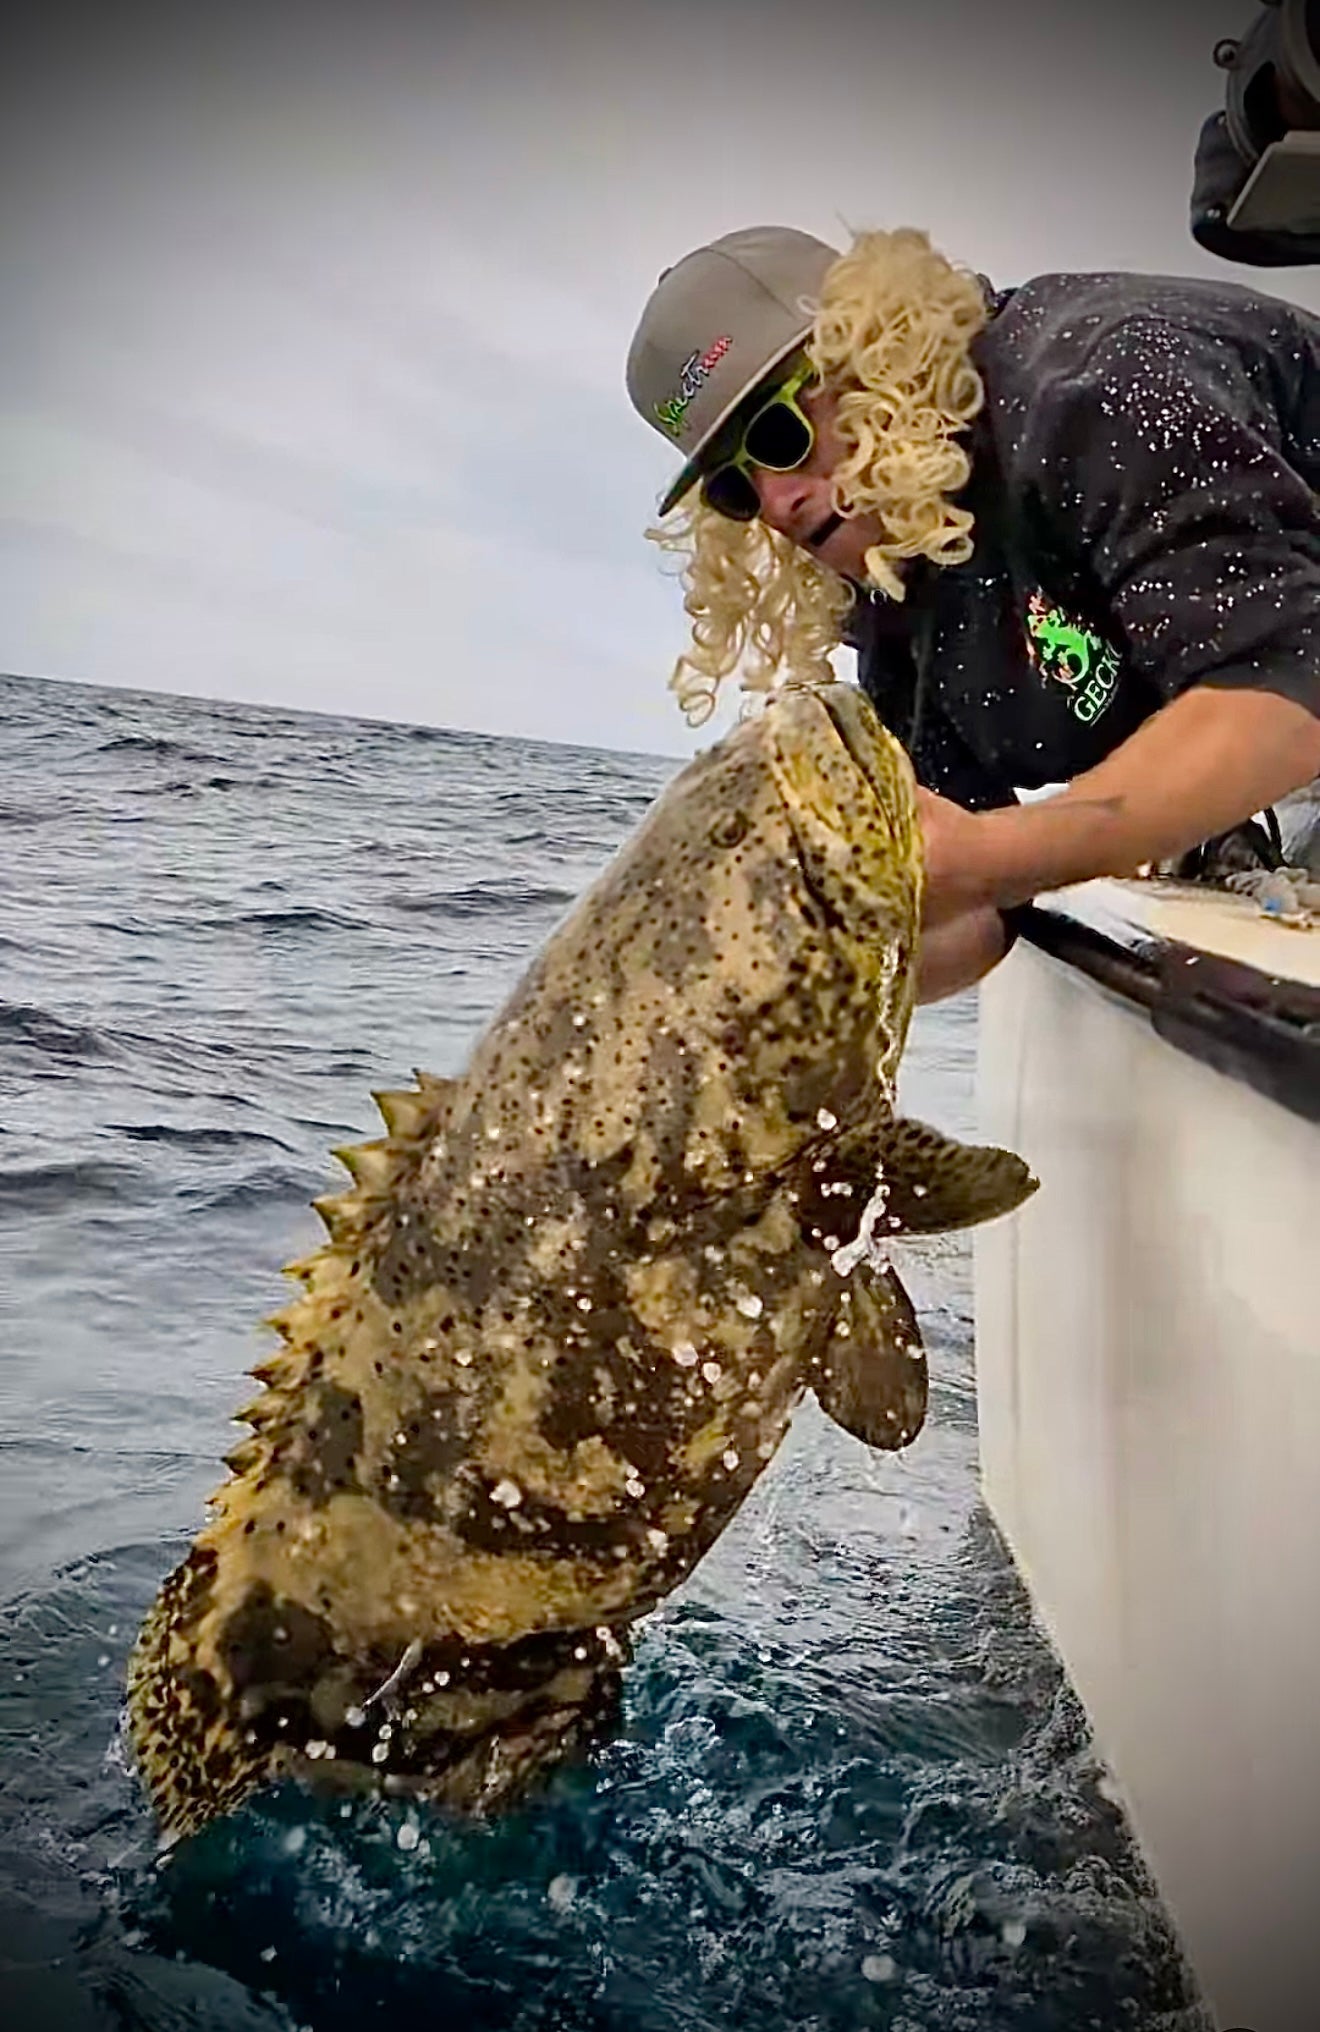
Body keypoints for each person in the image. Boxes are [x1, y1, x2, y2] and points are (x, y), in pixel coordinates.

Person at [625, 226, 1320, 1002]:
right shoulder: (894, 562)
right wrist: (773, 988)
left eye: (780, 434)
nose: (777, 504)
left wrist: (1000, 850)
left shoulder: (1101, 384)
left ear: (874, 349)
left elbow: (1291, 690)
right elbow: (973, 901)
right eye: (735, 489)